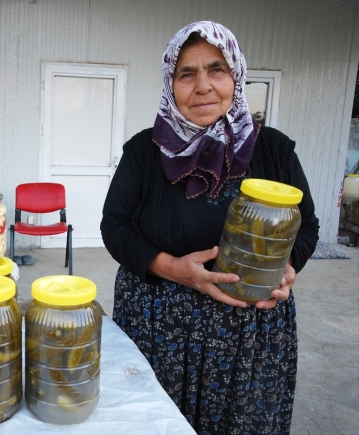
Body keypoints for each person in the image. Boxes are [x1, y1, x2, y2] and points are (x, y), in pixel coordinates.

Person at [100, 21, 319, 434]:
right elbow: (115, 227)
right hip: (160, 327)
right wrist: (175, 269)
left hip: (251, 333)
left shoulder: (272, 149)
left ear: (236, 76)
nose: (202, 86)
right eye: (187, 73)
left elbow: (307, 226)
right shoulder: (144, 152)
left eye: (216, 70)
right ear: (171, 83)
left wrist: (286, 269)